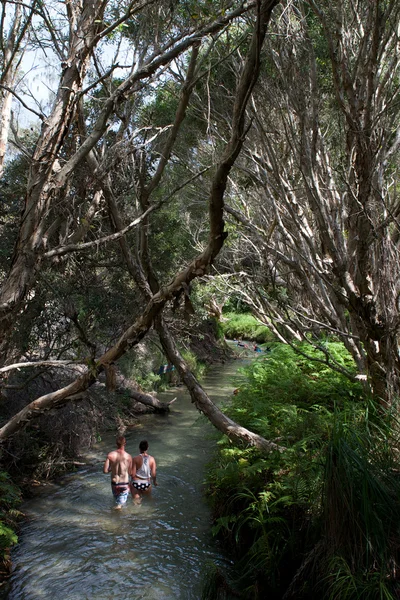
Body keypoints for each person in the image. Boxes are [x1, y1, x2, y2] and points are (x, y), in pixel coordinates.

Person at [103, 435, 132, 509]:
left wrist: (112, 468)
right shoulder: (128, 457)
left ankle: (114, 515)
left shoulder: (110, 455)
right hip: (124, 484)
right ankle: (116, 513)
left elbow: (105, 471)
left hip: (114, 484)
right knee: (120, 505)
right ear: (125, 444)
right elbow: (130, 472)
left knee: (117, 501)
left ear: (116, 444)